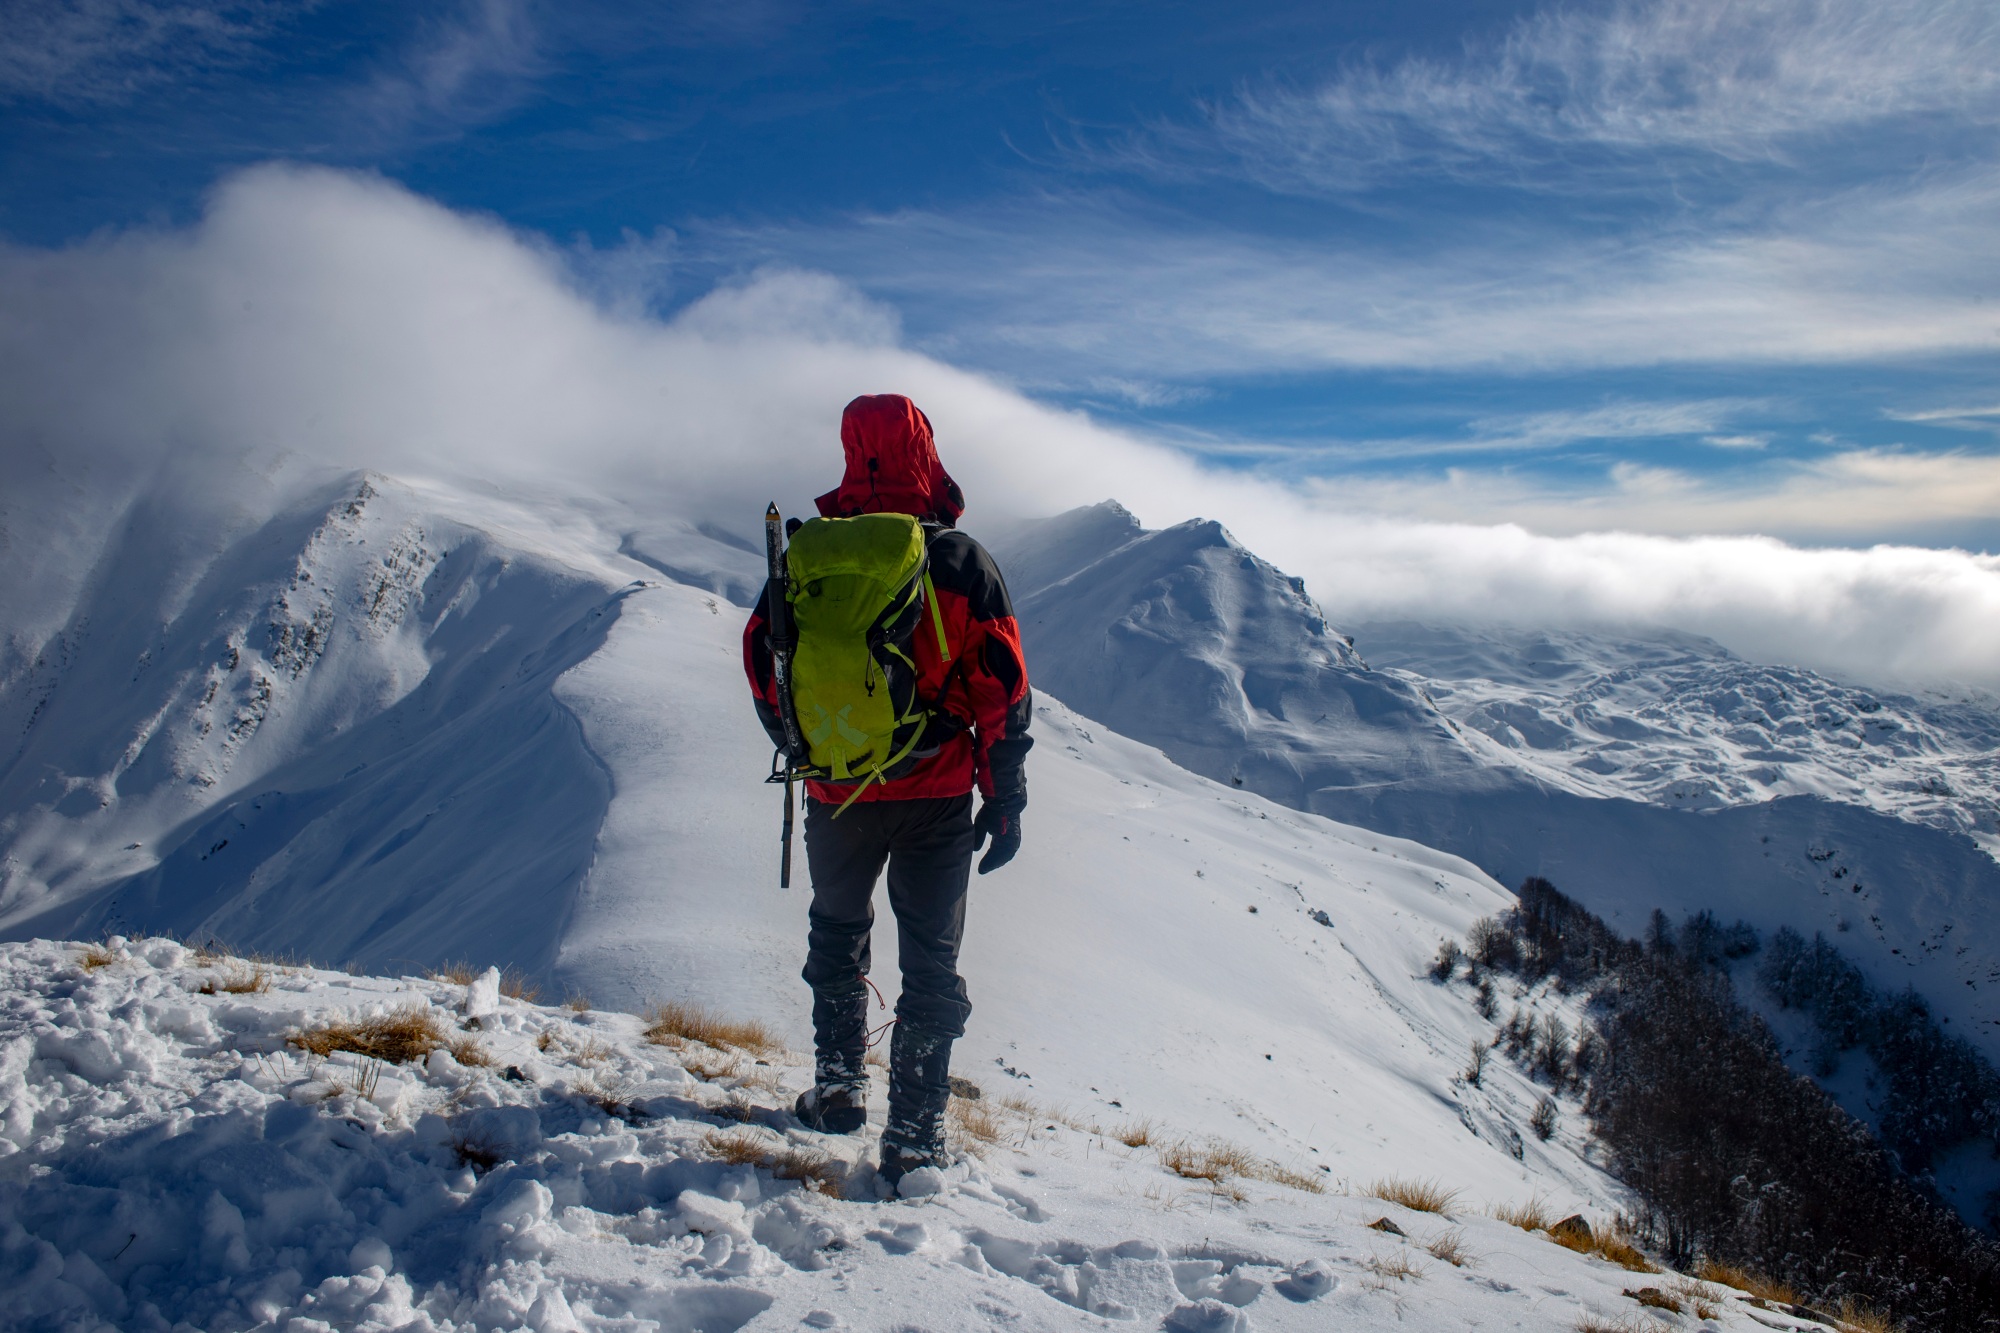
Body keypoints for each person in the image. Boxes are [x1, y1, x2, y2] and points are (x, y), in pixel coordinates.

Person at [743, 393, 1032, 1190]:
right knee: (930, 961)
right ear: (924, 451)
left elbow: (766, 668)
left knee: (837, 933)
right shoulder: (959, 559)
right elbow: (1003, 688)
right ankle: (913, 1135)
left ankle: (837, 1091)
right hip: (935, 794)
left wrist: (811, 751)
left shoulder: (805, 557)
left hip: (835, 792)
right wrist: (1003, 797)